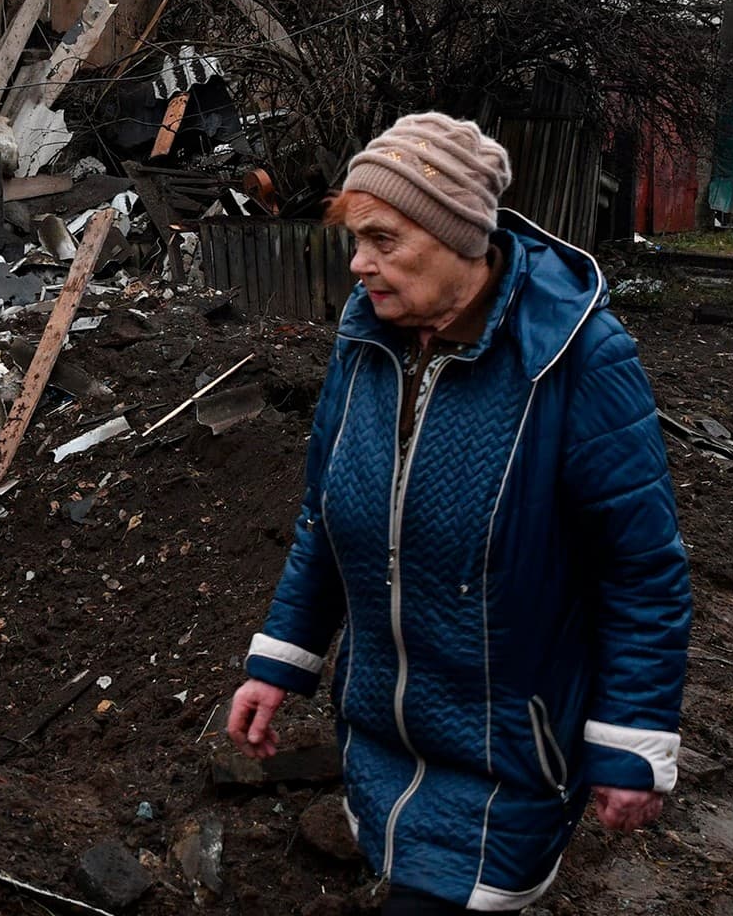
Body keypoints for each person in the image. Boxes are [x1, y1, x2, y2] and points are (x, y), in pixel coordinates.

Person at [225, 113, 691, 913]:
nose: (360, 265)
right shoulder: (366, 343)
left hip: (509, 752)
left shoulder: (574, 358)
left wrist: (631, 743)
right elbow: (326, 519)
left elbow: (642, 570)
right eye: (356, 240)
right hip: (381, 736)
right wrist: (281, 662)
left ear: (460, 237)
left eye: (384, 240)